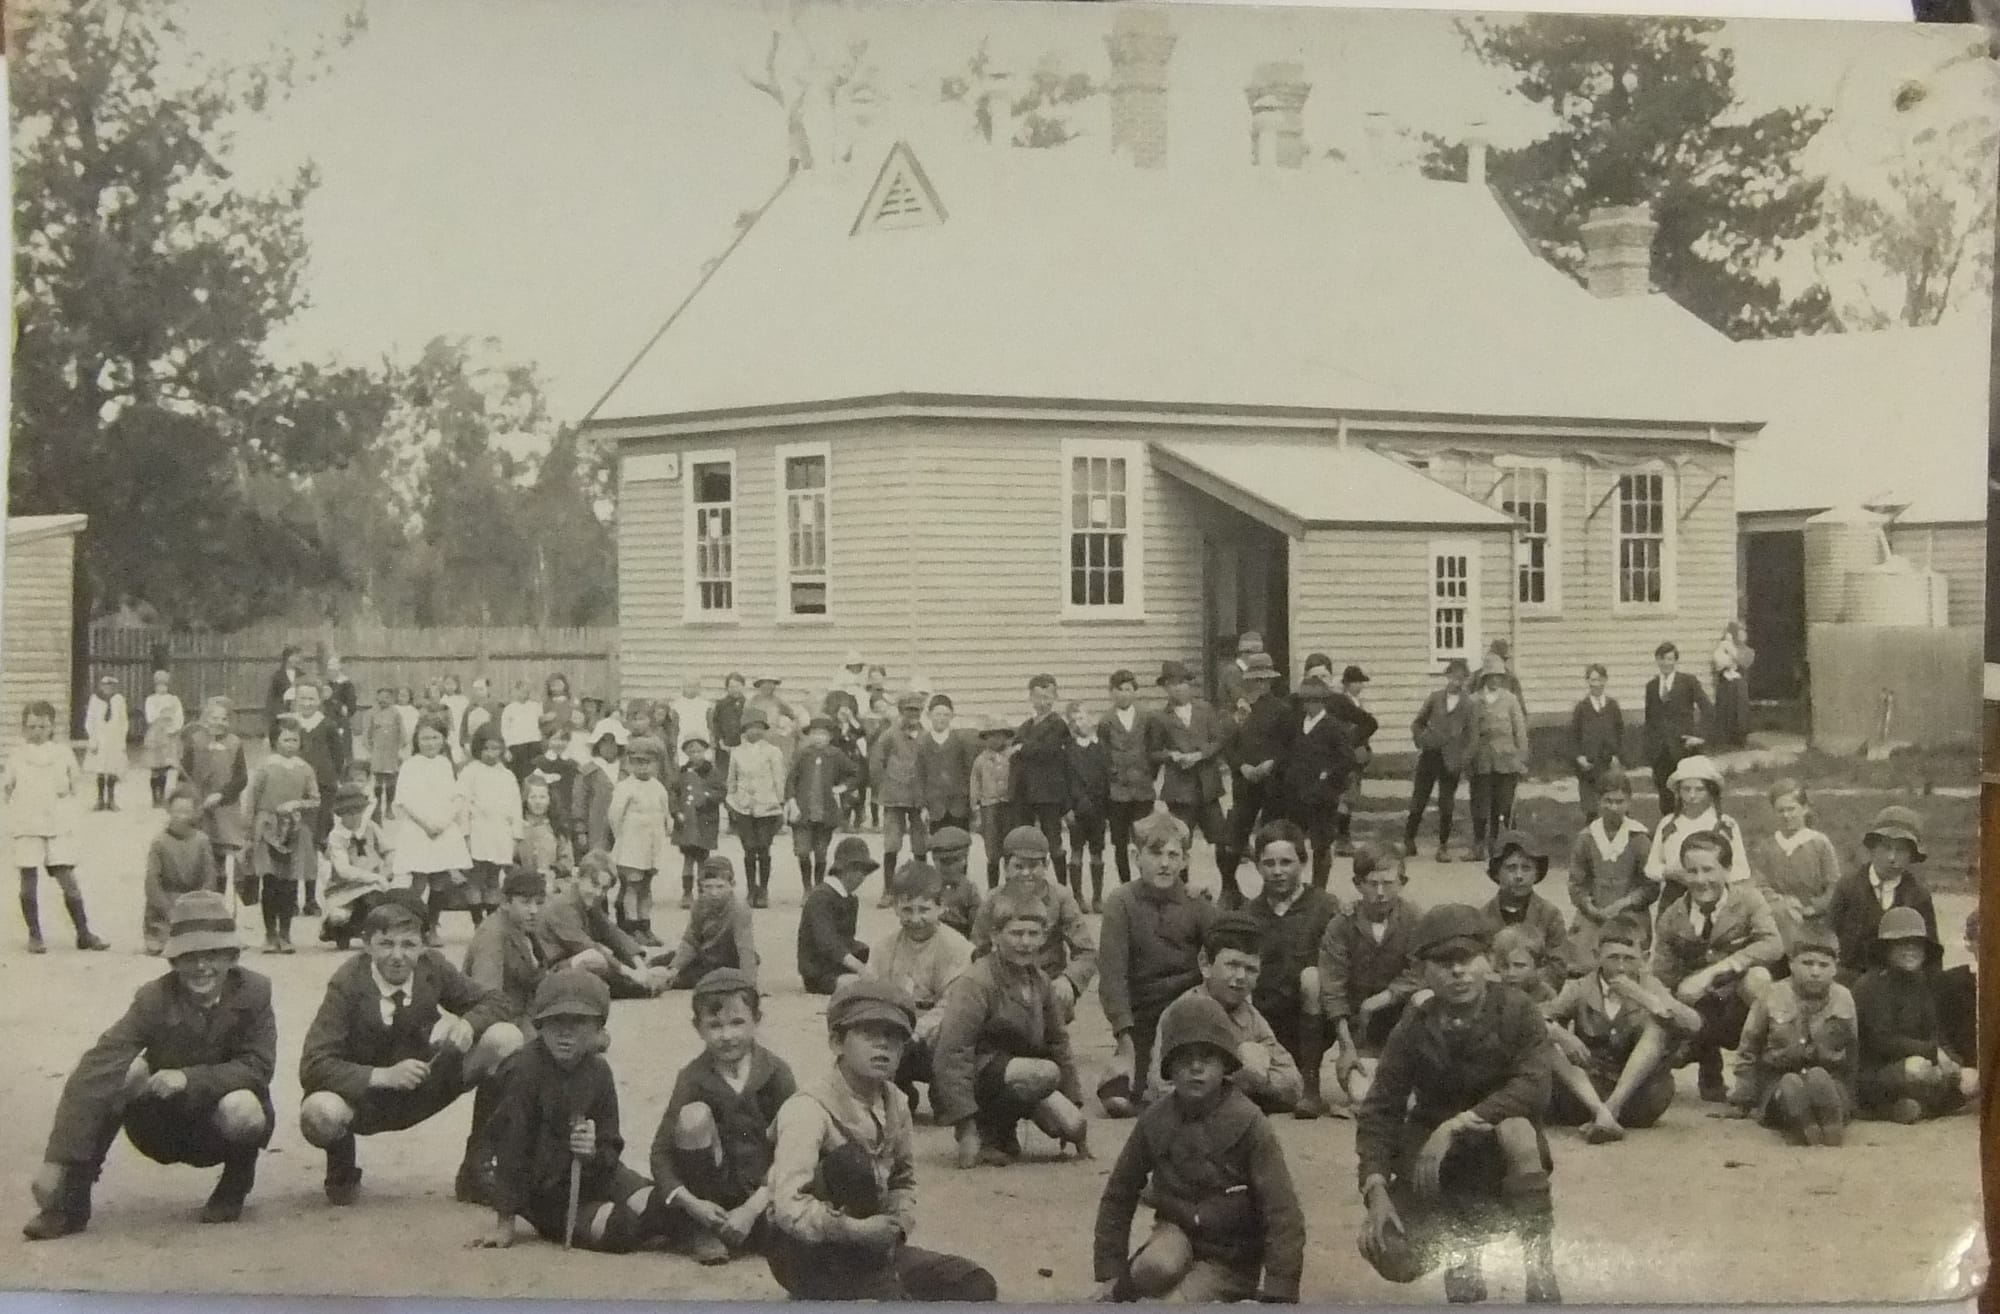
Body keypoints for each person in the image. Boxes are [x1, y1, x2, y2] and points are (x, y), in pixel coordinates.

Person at [22, 892, 273, 1239]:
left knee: (245, 1106)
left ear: (231, 957)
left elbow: (258, 1067)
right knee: (125, 1071)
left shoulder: (255, 992)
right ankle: (72, 1197)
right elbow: (98, 1065)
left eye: (212, 955)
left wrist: (188, 1078)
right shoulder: (153, 998)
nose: (201, 967)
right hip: (162, 1125)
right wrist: (57, 1159)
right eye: (189, 956)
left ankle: (236, 1183)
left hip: (220, 1126)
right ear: (173, 961)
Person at [1355, 902, 1561, 1305]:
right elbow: (1381, 1108)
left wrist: (1459, 1123)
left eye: (1468, 959)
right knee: (1389, 1251)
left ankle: (1540, 1269)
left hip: (1499, 1159)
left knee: (1517, 1129)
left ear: (1488, 961)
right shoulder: (1414, 1025)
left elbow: (1533, 1086)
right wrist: (1375, 1186)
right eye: (1444, 962)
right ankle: (1461, 1258)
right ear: (1424, 972)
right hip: (1438, 1166)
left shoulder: (1517, 1011)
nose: (1458, 972)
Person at [764, 978, 999, 1301]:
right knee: (851, 1162)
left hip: (871, 1251)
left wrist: (897, 1224)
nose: (883, 1046)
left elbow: (903, 1178)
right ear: (837, 1042)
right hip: (807, 1254)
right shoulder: (808, 1109)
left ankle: (872, 1287)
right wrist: (852, 1230)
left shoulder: (896, 1103)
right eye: (868, 1034)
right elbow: (789, 1206)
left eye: (894, 1037)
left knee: (975, 1283)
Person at [298, 891, 523, 1207]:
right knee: (319, 1112)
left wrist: (470, 1023)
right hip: (365, 1100)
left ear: (425, 944)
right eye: (386, 944)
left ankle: (477, 1166)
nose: (397, 956)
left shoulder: (432, 968)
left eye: (409, 945)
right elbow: (313, 1064)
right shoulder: (348, 982)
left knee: (506, 1038)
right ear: (367, 944)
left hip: (424, 1083)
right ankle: (342, 1164)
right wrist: (382, 1075)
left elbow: (499, 1001)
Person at [1091, 991, 1306, 1304]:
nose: (1195, 1067)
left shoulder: (1249, 1122)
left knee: (1176, 1304)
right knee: (1155, 1267)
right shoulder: (1156, 1119)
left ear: (1225, 1064)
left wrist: (1279, 1291)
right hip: (1175, 1233)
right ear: (1169, 1066)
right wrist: (1110, 1271)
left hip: (1231, 1255)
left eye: (1208, 1057)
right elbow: (1119, 1193)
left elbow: (1282, 1211)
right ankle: (1126, 1289)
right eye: (1184, 1058)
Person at [471, 971, 667, 1253]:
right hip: (547, 1193)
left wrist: (593, 1152)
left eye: (579, 1022)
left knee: (658, 1202)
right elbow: (510, 1147)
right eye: (555, 1022)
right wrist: (505, 1221)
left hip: (598, 1174)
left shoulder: (599, 1071)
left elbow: (611, 1141)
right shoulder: (524, 1070)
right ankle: (667, 1228)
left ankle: (683, 1228)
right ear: (539, 1025)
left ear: (599, 1029)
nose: (565, 1032)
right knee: (619, 1227)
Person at [649, 968, 798, 1265]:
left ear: (757, 1020)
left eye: (737, 1022)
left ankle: (755, 1228)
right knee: (692, 1118)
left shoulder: (775, 1073)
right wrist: (694, 1205)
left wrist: (753, 1208)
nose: (727, 1035)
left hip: (763, 1195)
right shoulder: (692, 1078)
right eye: (714, 1025)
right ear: (698, 1028)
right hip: (711, 1199)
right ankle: (704, 1229)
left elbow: (795, 1149)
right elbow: (660, 1153)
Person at [933, 905, 1090, 1167]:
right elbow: (951, 1053)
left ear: (1043, 937)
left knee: (1073, 1126)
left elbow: (1058, 1041)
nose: (1025, 942)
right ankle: (988, 1133)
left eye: (1033, 934)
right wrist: (965, 1125)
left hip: (1019, 1076)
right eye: (1016, 933)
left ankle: (1003, 1131)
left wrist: (1072, 1100)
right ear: (995, 936)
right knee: (1044, 1074)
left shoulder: (1040, 981)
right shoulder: (976, 981)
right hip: (974, 1078)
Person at [1096, 811, 1217, 1118]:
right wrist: (1124, 1036)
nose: (1164, 863)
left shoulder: (1196, 902)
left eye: (1173, 855)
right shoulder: (1120, 903)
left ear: (1185, 860)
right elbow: (1112, 976)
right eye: (1155, 853)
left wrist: (1211, 904)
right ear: (1137, 857)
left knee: (1194, 1086)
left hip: (1187, 1013)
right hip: (1142, 1017)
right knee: (1117, 1098)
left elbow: (1225, 950)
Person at [1651, 830, 1782, 1103]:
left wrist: (1717, 970)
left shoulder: (1749, 901)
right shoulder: (1672, 917)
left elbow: (1772, 944)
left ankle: (1761, 1074)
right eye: (1692, 871)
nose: (1700, 880)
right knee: (1667, 1031)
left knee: (1759, 978)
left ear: (1727, 869)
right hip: (1698, 1007)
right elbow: (1662, 974)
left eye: (1708, 870)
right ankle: (1707, 1066)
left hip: (1739, 1001)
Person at [1544, 915, 1700, 1144]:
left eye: (1628, 959)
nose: (1620, 967)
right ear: (1597, 957)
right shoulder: (1582, 987)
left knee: (1658, 1026)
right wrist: (1561, 1034)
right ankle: (1602, 1113)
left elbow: (1694, 1024)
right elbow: (1534, 1017)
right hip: (1587, 1093)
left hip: (1640, 1097)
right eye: (1612, 958)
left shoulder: (1650, 985)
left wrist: (1645, 998)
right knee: (1547, 1038)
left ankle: (1609, 1111)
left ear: (1644, 959)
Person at [1148, 913, 1304, 1114]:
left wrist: (1260, 1080)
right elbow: (1160, 1088)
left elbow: (1293, 1084)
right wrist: (1238, 1075)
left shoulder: (1250, 1016)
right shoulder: (1183, 1012)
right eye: (1232, 965)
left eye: (1251, 969)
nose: (1240, 977)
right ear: (1205, 964)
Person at [1722, 920, 1856, 1145]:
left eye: (1823, 965)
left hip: (1830, 1076)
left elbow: (1853, 1050)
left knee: (1822, 1082)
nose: (1815, 972)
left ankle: (1833, 1121)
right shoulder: (1772, 995)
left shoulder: (1844, 998)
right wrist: (1745, 1096)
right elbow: (1749, 1048)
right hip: (1778, 1077)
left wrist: (1852, 1096)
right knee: (1789, 1086)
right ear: (1791, 963)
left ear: (1835, 967)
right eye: (1807, 963)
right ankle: (1803, 1125)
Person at [1242, 821, 1341, 1118]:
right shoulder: (1248, 913)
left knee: (1312, 977)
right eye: (1268, 863)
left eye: (1286, 862)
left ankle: (1310, 1082)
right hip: (1267, 1024)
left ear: (1303, 862)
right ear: (1258, 866)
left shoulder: (1325, 906)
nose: (1278, 871)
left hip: (1311, 1022)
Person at [1320, 842, 1423, 1110]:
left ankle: (1413, 1067)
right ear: (1357, 884)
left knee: (1426, 996)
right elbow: (1333, 985)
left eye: (1388, 883)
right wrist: (1347, 1046)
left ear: (1402, 882)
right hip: (1360, 1030)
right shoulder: (1342, 923)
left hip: (1401, 1023)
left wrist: (1382, 998)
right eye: (1372, 883)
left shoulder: (1414, 919)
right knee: (1363, 1096)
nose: (1380, 893)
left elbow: (1420, 972)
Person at [8, 700, 108, 953]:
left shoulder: (62, 753)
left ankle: (83, 933)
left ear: (52, 727)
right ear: (24, 729)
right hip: (28, 825)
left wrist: (65, 802)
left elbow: (75, 785)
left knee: (68, 881)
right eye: (32, 727)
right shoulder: (17, 755)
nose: (38, 731)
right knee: (28, 882)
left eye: (43, 726)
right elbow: (7, 789)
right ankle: (35, 935)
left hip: (57, 825)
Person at [970, 825, 1097, 1018]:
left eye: (1033, 866)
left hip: (1048, 983)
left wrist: (1068, 980)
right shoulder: (993, 900)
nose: (1026, 873)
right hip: (1004, 985)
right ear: (1006, 867)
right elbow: (978, 951)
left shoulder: (1060, 898)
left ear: (1046, 865)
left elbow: (1086, 952)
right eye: (1018, 866)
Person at [1853, 906, 1966, 1123]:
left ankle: (1912, 1108)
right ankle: (1888, 1109)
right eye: (1902, 944)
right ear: (1886, 949)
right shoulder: (1870, 985)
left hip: (1918, 1065)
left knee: (1970, 1081)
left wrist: (1951, 1061)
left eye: (1916, 944)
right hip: (1872, 1072)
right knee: (1914, 1069)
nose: (1910, 950)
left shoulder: (1920, 982)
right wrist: (1931, 1053)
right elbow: (1882, 1042)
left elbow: (1934, 1031)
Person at [1826, 805, 1940, 980]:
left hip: (1900, 982)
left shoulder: (1918, 896)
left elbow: (1931, 954)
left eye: (1901, 850)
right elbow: (1829, 937)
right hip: (1851, 978)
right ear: (1872, 848)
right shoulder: (1848, 887)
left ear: (1911, 855)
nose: (1892, 857)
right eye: (1886, 847)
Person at [1218, 651, 1290, 907]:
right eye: (1255, 680)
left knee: (1271, 839)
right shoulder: (1237, 712)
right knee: (1233, 837)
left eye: (1264, 680)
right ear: (1246, 680)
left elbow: (1288, 746)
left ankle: (1270, 893)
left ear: (1271, 681)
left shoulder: (1282, 710)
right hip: (1245, 782)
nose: (1260, 685)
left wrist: (1272, 763)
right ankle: (1229, 889)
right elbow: (1227, 745)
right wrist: (1242, 766)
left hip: (1272, 784)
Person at [535, 854, 662, 999]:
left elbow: (612, 933)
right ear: (579, 877)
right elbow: (587, 946)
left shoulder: (586, 900)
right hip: (550, 971)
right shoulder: (563, 905)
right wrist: (631, 972)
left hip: (570, 963)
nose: (598, 893)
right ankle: (629, 987)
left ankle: (634, 984)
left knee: (638, 958)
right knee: (594, 958)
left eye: (604, 889)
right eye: (594, 884)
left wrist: (639, 965)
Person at [394, 716, 473, 946]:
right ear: (416, 740)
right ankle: (414, 926)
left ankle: (432, 926)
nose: (430, 743)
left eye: (435, 738)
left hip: (442, 827)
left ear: (443, 739)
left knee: (440, 880)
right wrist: (427, 824)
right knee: (419, 880)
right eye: (425, 738)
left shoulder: (445, 764)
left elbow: (453, 797)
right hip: (419, 827)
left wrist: (443, 821)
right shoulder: (410, 766)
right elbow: (405, 800)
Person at [1566, 768, 1655, 967]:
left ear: (1629, 802)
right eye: (1608, 801)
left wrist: (1622, 904)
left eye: (1619, 801)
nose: (1613, 807)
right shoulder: (1587, 838)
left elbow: (1651, 886)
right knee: (1583, 963)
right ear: (1599, 802)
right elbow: (1576, 883)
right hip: (1594, 914)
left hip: (1630, 914)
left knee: (1628, 960)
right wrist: (1590, 907)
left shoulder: (1639, 838)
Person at [1148, 661, 1227, 883]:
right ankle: (1180, 888)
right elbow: (1153, 752)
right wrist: (1173, 755)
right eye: (1171, 684)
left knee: (1222, 840)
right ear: (1165, 688)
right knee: (1180, 842)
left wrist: (1200, 755)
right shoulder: (1160, 718)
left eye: (1181, 683)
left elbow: (1218, 739)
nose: (1177, 688)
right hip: (1180, 791)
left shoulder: (1205, 709)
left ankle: (1230, 887)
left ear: (1189, 685)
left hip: (1208, 786)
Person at [246, 715, 318, 955]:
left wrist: (297, 804)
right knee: (270, 883)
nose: (290, 744)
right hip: (267, 827)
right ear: (275, 741)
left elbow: (315, 799)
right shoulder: (265, 767)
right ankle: (270, 934)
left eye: (294, 740)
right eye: (285, 740)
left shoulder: (305, 768)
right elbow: (252, 799)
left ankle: (286, 934)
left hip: (293, 829)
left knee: (289, 884)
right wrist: (249, 830)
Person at [1752, 780, 1842, 957]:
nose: (1786, 816)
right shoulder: (1768, 846)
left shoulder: (1819, 843)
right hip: (1777, 916)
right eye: (1780, 811)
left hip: (1814, 919)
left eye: (1791, 809)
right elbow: (1760, 885)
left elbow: (1834, 886)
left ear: (1805, 808)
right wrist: (1782, 903)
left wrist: (1811, 908)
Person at [1280, 675, 1354, 891]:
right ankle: (1294, 887)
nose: (1310, 706)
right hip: (1297, 795)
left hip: (1322, 796)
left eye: (1315, 701)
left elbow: (1346, 759)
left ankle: (1319, 891)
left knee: (1321, 846)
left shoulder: (1334, 727)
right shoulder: (1297, 725)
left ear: (1324, 702)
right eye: (1306, 701)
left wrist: (1328, 776)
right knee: (1293, 843)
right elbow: (1288, 754)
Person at [1644, 755, 1753, 900]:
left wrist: (1712, 875)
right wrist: (1668, 872)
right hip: (1675, 895)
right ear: (1678, 791)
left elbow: (1741, 870)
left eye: (1699, 789)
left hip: (1714, 895)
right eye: (1686, 789)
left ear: (1711, 791)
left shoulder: (1725, 825)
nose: (1692, 795)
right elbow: (1651, 867)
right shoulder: (1668, 824)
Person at [1405, 659, 1477, 862]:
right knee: (1419, 798)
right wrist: (1422, 740)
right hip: (1430, 755)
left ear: (1465, 679)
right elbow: (1417, 723)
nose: (1457, 681)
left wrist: (1464, 759)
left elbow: (1472, 736)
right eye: (1453, 677)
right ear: (1447, 676)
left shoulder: (1468, 704)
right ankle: (1408, 841)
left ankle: (1443, 846)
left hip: (1451, 759)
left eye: (1461, 678)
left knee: (1446, 803)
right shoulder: (1435, 698)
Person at [1480, 832, 1571, 991]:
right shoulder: (1482, 918)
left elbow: (1557, 968)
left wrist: (1526, 981)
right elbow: (1478, 967)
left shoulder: (1550, 915)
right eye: (1511, 868)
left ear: (1536, 874)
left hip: (1537, 996)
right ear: (1496, 873)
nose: (1519, 876)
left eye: (1526, 868)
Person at [654, 855, 759, 989]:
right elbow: (691, 940)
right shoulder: (699, 904)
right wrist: (674, 969)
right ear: (701, 887)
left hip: (727, 960)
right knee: (660, 963)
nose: (714, 892)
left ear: (732, 885)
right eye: (708, 887)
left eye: (720, 886)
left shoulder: (739, 909)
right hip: (705, 955)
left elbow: (745, 948)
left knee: (685, 981)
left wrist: (749, 984)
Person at [607, 735, 672, 945]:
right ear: (629, 763)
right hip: (632, 844)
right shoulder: (626, 787)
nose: (643, 768)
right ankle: (631, 926)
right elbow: (615, 816)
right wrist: (623, 839)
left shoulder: (658, 787)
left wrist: (665, 830)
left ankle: (645, 925)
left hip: (652, 845)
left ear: (656, 764)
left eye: (648, 762)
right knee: (632, 886)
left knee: (646, 886)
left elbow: (665, 813)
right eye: (637, 762)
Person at [181, 696, 249, 887]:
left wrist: (222, 795)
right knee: (197, 850)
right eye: (214, 718)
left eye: (224, 719)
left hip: (224, 806)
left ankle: (218, 895)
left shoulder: (234, 743)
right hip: (199, 804)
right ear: (205, 719)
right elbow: (184, 772)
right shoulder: (195, 741)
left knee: (219, 852)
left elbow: (241, 778)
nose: (219, 723)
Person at [1009, 674, 1072, 878]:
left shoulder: (1058, 725)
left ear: (1055, 698)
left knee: (1054, 841)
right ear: (1031, 698)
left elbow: (1050, 749)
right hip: (1025, 792)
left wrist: (1024, 748)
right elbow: (1014, 755)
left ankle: (1063, 887)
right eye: (1038, 697)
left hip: (1049, 793)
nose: (1042, 702)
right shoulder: (1026, 726)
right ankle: (1028, 881)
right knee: (1025, 841)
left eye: (1047, 697)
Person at [143, 788, 220, 955]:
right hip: (166, 903)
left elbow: (210, 876)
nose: (181, 816)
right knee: (161, 945)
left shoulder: (202, 840)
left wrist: (198, 902)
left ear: (194, 814)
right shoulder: (159, 842)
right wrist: (167, 909)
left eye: (186, 811)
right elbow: (152, 882)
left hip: (193, 901)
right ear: (169, 812)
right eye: (176, 811)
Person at [1099, 669, 1156, 888]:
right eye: (1119, 690)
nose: (1124, 694)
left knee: (1144, 839)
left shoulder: (1146, 716)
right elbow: (1103, 755)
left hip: (1142, 788)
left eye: (1128, 689)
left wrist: (1148, 773)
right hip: (1118, 791)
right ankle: (1126, 885)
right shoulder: (1106, 721)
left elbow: (1153, 748)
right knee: (1120, 842)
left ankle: (1147, 882)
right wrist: (1113, 775)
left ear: (1135, 692)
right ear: (1111, 693)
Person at [321, 782, 395, 951]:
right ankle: (342, 932)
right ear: (340, 814)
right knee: (338, 917)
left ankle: (370, 934)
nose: (354, 817)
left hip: (372, 885)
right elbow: (344, 870)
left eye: (357, 812)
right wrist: (375, 877)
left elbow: (388, 849)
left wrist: (387, 867)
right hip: (345, 888)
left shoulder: (369, 827)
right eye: (348, 813)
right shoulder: (337, 836)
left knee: (376, 902)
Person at [789, 716, 859, 894]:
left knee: (821, 852)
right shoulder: (802, 754)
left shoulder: (835, 755)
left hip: (825, 811)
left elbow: (854, 773)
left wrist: (842, 787)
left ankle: (818, 887)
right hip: (803, 811)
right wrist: (792, 802)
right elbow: (790, 780)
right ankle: (807, 888)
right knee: (803, 851)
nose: (818, 737)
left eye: (823, 734)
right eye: (815, 733)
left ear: (829, 736)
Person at [1466, 667, 1528, 865]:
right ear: (1484, 678)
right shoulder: (1474, 700)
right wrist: (1467, 758)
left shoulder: (1510, 699)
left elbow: (1520, 729)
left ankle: (1508, 845)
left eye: (1499, 676)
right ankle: (1479, 845)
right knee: (1480, 803)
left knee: (1505, 804)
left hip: (1506, 759)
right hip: (1482, 759)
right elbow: (1467, 731)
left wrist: (1521, 757)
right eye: (1491, 676)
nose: (1495, 680)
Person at [799, 836, 876, 995]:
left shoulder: (850, 899)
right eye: (860, 870)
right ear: (845, 869)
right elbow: (827, 943)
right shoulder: (821, 897)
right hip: (819, 973)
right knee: (870, 987)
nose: (862, 877)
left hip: (839, 966)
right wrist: (860, 968)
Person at [462, 727, 524, 925]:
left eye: (496, 749)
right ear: (478, 748)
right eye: (486, 748)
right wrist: (466, 834)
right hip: (478, 829)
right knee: (475, 878)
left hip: (500, 832)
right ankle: (478, 924)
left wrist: (516, 835)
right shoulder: (470, 772)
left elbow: (515, 806)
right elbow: (463, 804)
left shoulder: (507, 775)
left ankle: (491, 924)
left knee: (493, 878)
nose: (491, 753)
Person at [725, 715, 787, 908]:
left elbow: (779, 777)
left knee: (763, 847)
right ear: (744, 730)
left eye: (759, 727)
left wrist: (780, 802)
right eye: (751, 728)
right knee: (749, 848)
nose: (755, 732)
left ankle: (764, 890)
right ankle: (752, 889)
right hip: (743, 806)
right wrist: (731, 801)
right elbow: (732, 780)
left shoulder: (773, 751)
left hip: (767, 805)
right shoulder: (736, 752)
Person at [1643, 641, 1712, 815]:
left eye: (1670, 659)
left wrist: (1700, 736)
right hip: (1660, 749)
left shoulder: (1688, 682)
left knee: (1686, 791)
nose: (1667, 663)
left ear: (1675, 661)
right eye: (1663, 659)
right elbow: (1649, 719)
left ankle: (1687, 826)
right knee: (1664, 792)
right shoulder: (1652, 686)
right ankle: (1668, 828)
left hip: (1683, 748)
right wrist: (1649, 746)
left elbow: (1708, 708)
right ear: (1657, 661)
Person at [1064, 700, 1113, 912]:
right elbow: (1063, 781)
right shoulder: (1067, 750)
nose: (1078, 723)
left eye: (1082, 718)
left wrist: (1107, 808)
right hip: (1076, 809)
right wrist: (1067, 809)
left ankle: (1097, 897)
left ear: (1091, 719)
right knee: (1075, 851)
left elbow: (1106, 778)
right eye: (1073, 720)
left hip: (1098, 808)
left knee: (1097, 852)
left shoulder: (1101, 748)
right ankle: (1077, 897)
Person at [1568, 665, 1625, 821]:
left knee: (1611, 800)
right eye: (1593, 680)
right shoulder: (1581, 708)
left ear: (1605, 680)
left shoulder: (1612, 706)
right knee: (1591, 807)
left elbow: (1620, 733)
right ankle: (1591, 835)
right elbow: (1573, 736)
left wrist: (1617, 755)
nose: (1596, 684)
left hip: (1608, 762)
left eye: (1600, 680)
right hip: (1588, 764)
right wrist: (1579, 757)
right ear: (1587, 681)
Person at [918, 694, 979, 836]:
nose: (941, 718)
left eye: (946, 714)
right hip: (935, 806)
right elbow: (919, 776)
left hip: (958, 806)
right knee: (939, 847)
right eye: (937, 714)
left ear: (952, 716)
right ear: (929, 715)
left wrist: (971, 803)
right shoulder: (923, 743)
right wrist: (923, 807)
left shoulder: (960, 742)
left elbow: (969, 773)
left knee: (960, 844)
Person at [969, 720, 1014, 889]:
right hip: (989, 807)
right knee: (993, 851)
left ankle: (1011, 888)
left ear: (1005, 736)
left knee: (1011, 848)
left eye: (999, 735)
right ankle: (993, 889)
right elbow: (975, 784)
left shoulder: (1012, 756)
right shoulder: (980, 760)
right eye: (991, 735)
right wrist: (976, 809)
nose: (995, 739)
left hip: (1009, 806)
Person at [574, 721, 626, 859]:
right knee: (599, 861)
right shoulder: (589, 771)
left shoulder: (626, 770)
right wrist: (581, 830)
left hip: (623, 827)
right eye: (604, 742)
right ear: (597, 745)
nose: (609, 747)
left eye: (613, 743)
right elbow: (580, 802)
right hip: (597, 825)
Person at [924, 825, 985, 939]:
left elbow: (977, 925)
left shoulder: (969, 889)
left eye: (955, 861)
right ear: (934, 860)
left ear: (964, 861)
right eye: (943, 862)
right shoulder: (927, 887)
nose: (949, 868)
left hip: (961, 937)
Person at [1937, 908, 1979, 1069]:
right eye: (1985, 939)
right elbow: (1941, 1036)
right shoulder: (1950, 982)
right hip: (1965, 1072)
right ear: (1968, 943)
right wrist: (1960, 1069)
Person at [83, 674, 129, 812]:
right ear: (100, 685)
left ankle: (111, 800)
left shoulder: (119, 699)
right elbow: (90, 720)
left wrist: (122, 740)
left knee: (113, 768)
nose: (107, 688)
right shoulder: (95, 699)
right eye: (105, 685)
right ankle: (99, 799)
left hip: (114, 739)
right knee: (100, 769)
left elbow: (123, 721)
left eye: (110, 685)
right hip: (100, 738)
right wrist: (92, 738)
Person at [141, 669, 185, 809]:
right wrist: (161, 716)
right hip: (155, 735)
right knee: (155, 766)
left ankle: (163, 794)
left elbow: (179, 716)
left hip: (169, 735)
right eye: (159, 685)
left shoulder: (174, 699)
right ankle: (155, 796)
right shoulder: (151, 700)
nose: (162, 688)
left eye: (164, 685)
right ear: (155, 686)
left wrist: (174, 727)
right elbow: (150, 716)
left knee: (165, 767)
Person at [1710, 620, 1754, 750]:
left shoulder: (1748, 651)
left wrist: (1733, 654)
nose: (1742, 635)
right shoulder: (1723, 647)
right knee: (1725, 709)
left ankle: (1740, 739)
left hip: (1739, 684)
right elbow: (1717, 666)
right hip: (1725, 684)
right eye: (1739, 632)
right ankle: (1724, 740)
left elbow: (1745, 663)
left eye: (1743, 632)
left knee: (1739, 711)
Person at [363, 687, 405, 813]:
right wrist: (370, 750)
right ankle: (377, 806)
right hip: (377, 753)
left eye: (387, 697)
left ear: (392, 699)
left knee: (391, 781)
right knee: (378, 781)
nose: (383, 700)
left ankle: (389, 807)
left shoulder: (396, 713)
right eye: (380, 697)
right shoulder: (371, 713)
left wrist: (400, 749)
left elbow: (402, 733)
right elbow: (366, 734)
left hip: (392, 752)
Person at [499, 681, 545, 780]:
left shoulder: (535, 706)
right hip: (517, 747)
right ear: (516, 691)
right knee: (518, 776)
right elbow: (504, 730)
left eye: (527, 691)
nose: (524, 694)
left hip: (534, 745)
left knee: (536, 775)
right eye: (522, 691)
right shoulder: (509, 709)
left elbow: (542, 723)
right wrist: (507, 749)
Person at [1217, 631, 1265, 720]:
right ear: (1246, 653)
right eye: (1257, 654)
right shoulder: (1232, 671)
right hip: (1233, 722)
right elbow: (1240, 697)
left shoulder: (1252, 672)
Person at [266, 646, 303, 726]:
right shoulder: (278, 676)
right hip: (282, 714)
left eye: (298, 657)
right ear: (287, 658)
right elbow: (272, 699)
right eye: (295, 656)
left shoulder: (302, 675)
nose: (298, 659)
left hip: (299, 713)